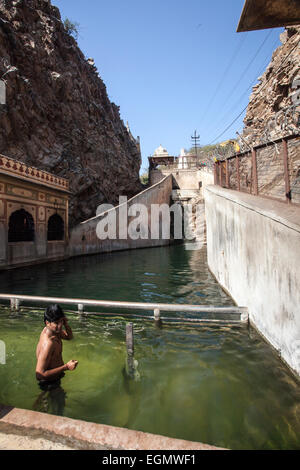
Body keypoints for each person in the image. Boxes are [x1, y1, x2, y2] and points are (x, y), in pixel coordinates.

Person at [35, 304, 78, 391]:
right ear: (47, 323)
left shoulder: (54, 331)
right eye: (57, 323)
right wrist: (66, 367)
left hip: (55, 378)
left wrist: (66, 324)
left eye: (61, 321)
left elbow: (69, 337)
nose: (60, 325)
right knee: (58, 403)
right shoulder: (48, 343)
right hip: (49, 383)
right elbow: (39, 375)